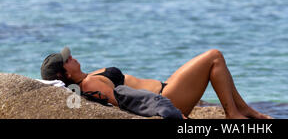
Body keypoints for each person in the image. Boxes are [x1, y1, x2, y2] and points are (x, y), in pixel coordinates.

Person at [40, 47, 272, 119]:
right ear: (64, 74)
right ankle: (234, 112)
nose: (72, 57)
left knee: (214, 60)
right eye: (67, 61)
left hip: (167, 90)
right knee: (214, 57)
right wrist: (169, 112)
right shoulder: (90, 84)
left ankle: (241, 109)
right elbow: (124, 103)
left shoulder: (88, 78)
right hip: (168, 97)